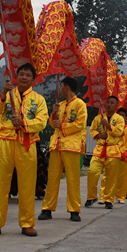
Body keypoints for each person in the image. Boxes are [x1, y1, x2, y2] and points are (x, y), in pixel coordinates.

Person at [0, 63, 48, 237]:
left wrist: (24, 123)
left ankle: (27, 223)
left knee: (27, 185)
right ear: (16, 76)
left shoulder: (38, 100)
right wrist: (3, 94)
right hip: (5, 141)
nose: (24, 77)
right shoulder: (8, 95)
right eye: (21, 74)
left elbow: (42, 122)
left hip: (26, 144)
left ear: (33, 79)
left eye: (28, 75)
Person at [38, 77, 87, 222]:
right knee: (52, 177)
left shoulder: (80, 105)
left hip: (71, 146)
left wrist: (63, 126)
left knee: (72, 179)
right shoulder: (60, 105)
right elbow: (53, 125)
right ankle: (47, 209)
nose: (60, 89)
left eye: (61, 86)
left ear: (67, 87)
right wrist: (53, 114)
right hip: (56, 145)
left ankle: (74, 210)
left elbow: (80, 124)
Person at [85, 96, 124, 210]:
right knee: (92, 172)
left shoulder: (119, 119)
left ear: (116, 106)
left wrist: (107, 125)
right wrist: (98, 135)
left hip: (113, 150)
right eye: (107, 102)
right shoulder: (98, 118)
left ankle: (108, 199)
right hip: (99, 149)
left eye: (112, 103)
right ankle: (91, 197)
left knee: (111, 177)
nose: (109, 104)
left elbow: (119, 132)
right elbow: (92, 130)